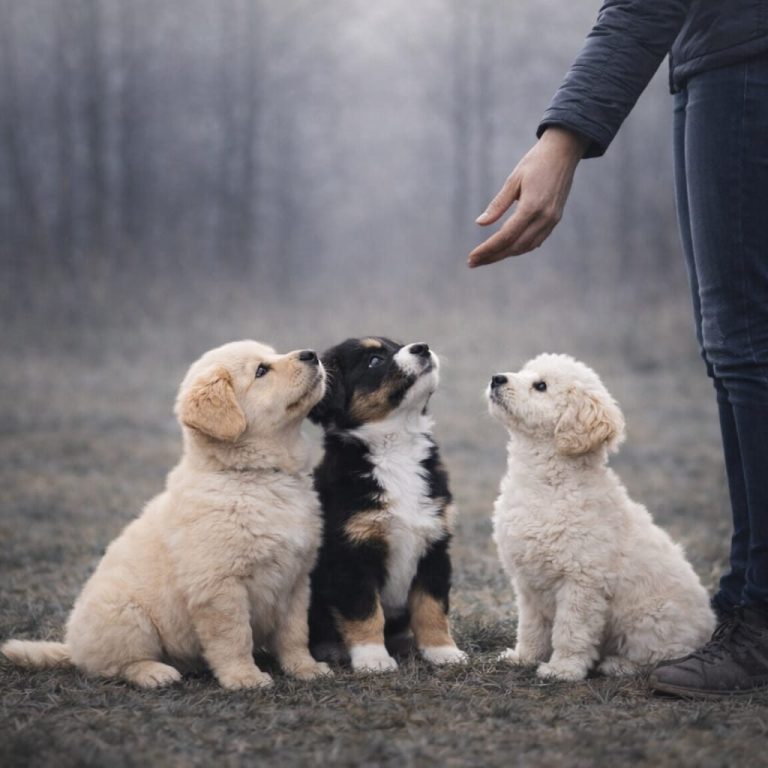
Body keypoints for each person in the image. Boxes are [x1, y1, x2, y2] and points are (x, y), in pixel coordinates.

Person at [468, 0, 768, 698]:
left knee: (746, 345)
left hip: (746, 53)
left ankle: (761, 613)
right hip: (716, 53)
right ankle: (748, 593)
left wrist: (563, 138)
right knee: (734, 346)